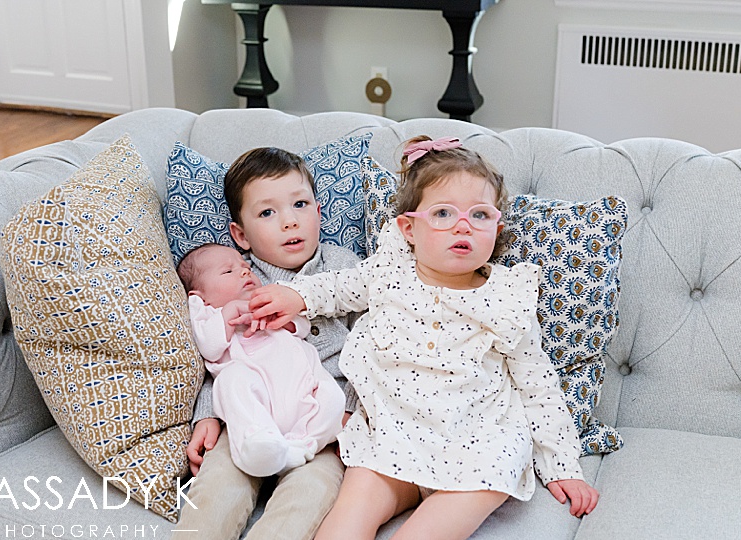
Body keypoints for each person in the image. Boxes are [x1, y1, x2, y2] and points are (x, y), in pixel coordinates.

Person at [248, 136, 599, 540]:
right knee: (345, 523)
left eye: (480, 215)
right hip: (392, 434)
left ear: (497, 227)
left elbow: (538, 386)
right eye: (444, 213)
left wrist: (562, 466)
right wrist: (295, 295)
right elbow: (339, 287)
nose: (463, 225)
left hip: (478, 444)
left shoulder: (506, 298)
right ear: (409, 229)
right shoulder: (389, 273)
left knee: (451, 508)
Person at [177, 147, 363, 540]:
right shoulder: (235, 277)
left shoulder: (344, 266)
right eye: (267, 213)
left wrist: (351, 410)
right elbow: (220, 356)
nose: (290, 221)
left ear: (318, 210)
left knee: (309, 492)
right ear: (240, 235)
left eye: (300, 204)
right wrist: (207, 414)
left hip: (320, 422)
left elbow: (373, 345)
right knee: (217, 487)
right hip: (252, 415)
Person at [178, 243, 345, 478]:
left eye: (246, 267)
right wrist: (231, 311)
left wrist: (279, 318)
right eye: (228, 271)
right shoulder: (207, 315)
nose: (245, 271)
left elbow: (303, 326)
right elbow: (209, 348)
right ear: (199, 297)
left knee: (334, 397)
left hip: (302, 389)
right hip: (260, 401)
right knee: (230, 380)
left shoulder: (267, 297)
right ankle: (257, 447)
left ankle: (304, 445)